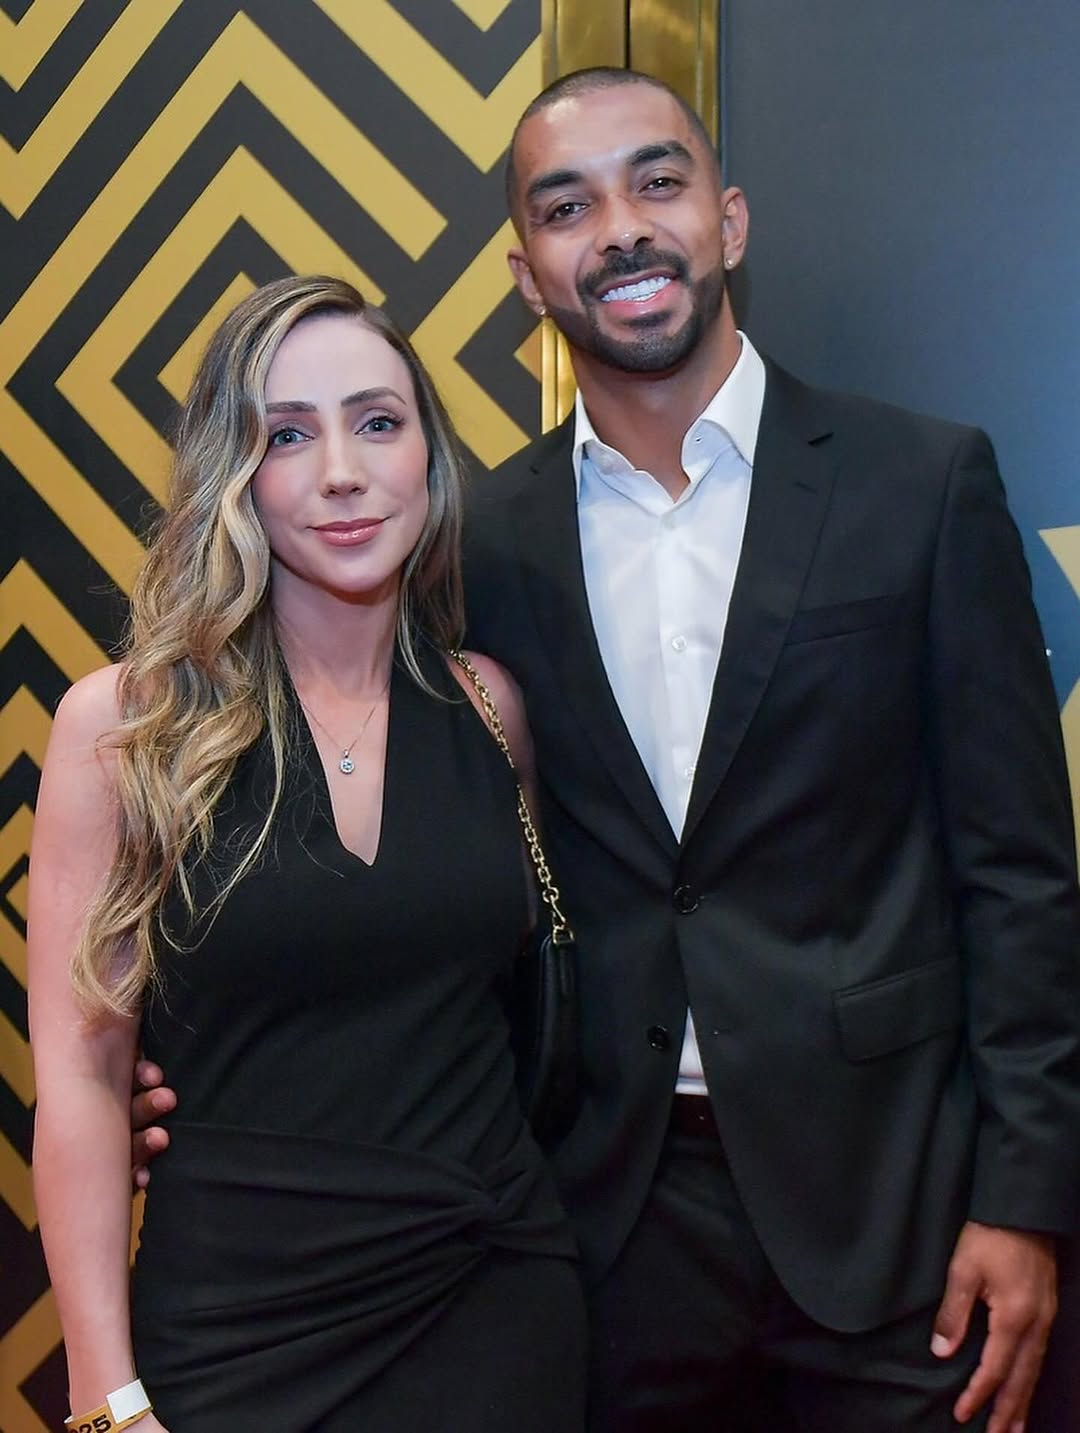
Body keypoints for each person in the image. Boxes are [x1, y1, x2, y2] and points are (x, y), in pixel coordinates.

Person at [132, 70, 1080, 1433]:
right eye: (567, 206)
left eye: (658, 182)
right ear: (528, 273)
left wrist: (1026, 1196)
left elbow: (1020, 873)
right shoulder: (470, 544)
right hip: (595, 1227)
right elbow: (394, 865)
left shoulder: (920, 484)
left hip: (900, 1211)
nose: (622, 228)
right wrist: (190, 1076)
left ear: (729, 218)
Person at [28, 275, 587, 1432]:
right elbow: (82, 1077)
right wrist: (106, 1400)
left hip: (492, 1300)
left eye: (378, 421)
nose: (342, 469)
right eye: (287, 434)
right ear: (232, 474)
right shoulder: (127, 728)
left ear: (428, 456)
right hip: (234, 1327)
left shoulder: (491, 708)